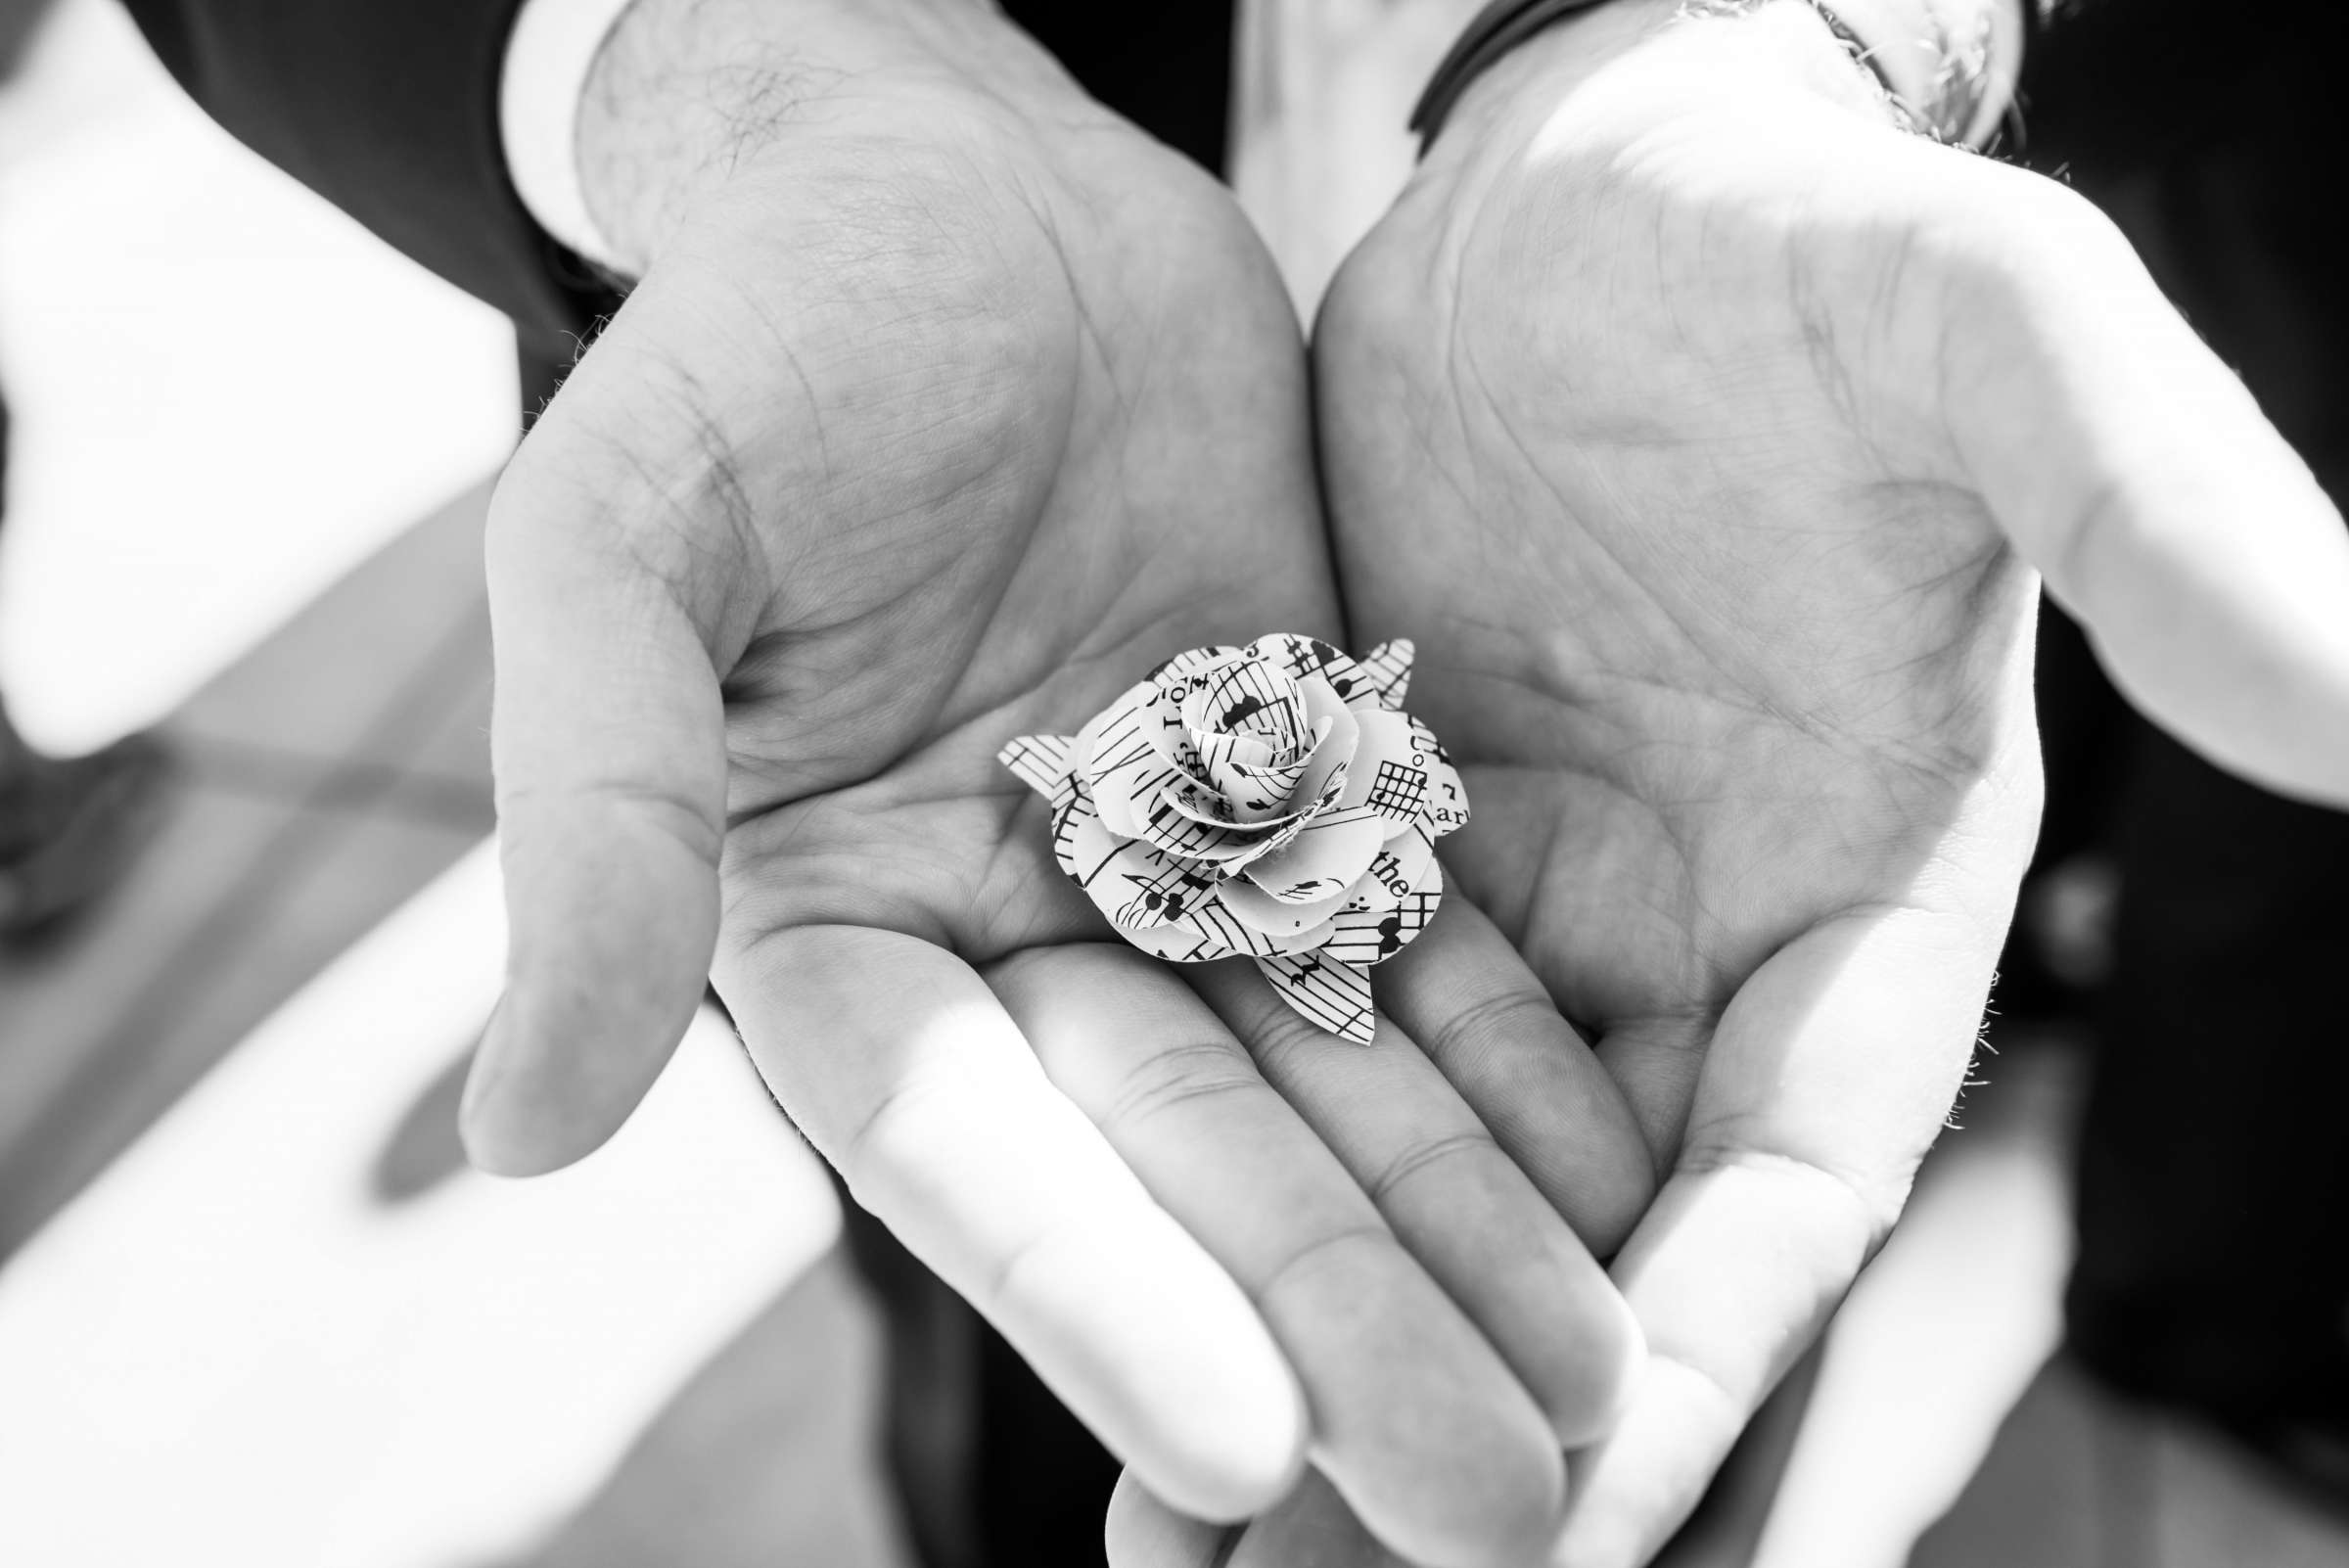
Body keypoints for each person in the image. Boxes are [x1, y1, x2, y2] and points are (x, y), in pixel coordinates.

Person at [108, 2, 2349, 1566]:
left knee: (1655, 1321)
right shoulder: (1126, 805)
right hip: (899, 617)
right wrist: (725, 65)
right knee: (1066, 1380)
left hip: (1736, 601)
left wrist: (1836, 33)